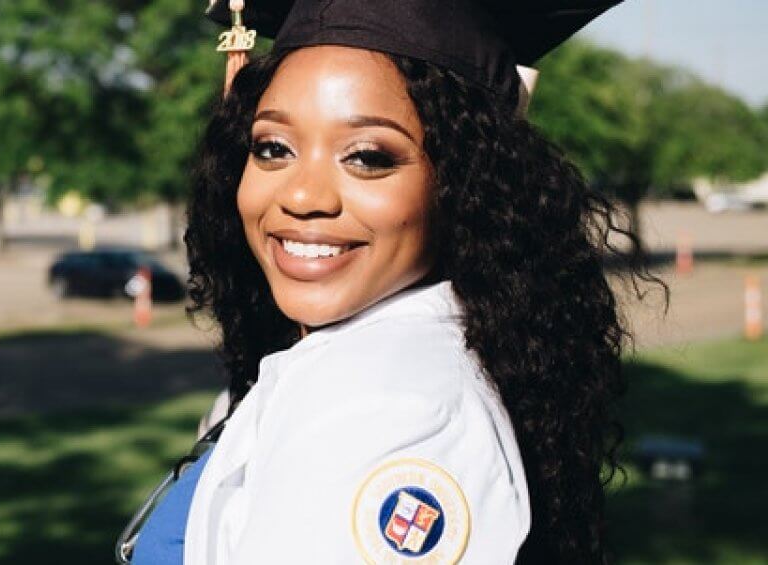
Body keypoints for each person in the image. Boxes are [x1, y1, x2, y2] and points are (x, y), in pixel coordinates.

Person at [117, 1, 659, 563]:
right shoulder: (330, 359)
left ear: (465, 186)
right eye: (273, 148)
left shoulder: (393, 407)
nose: (302, 196)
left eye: (368, 157)